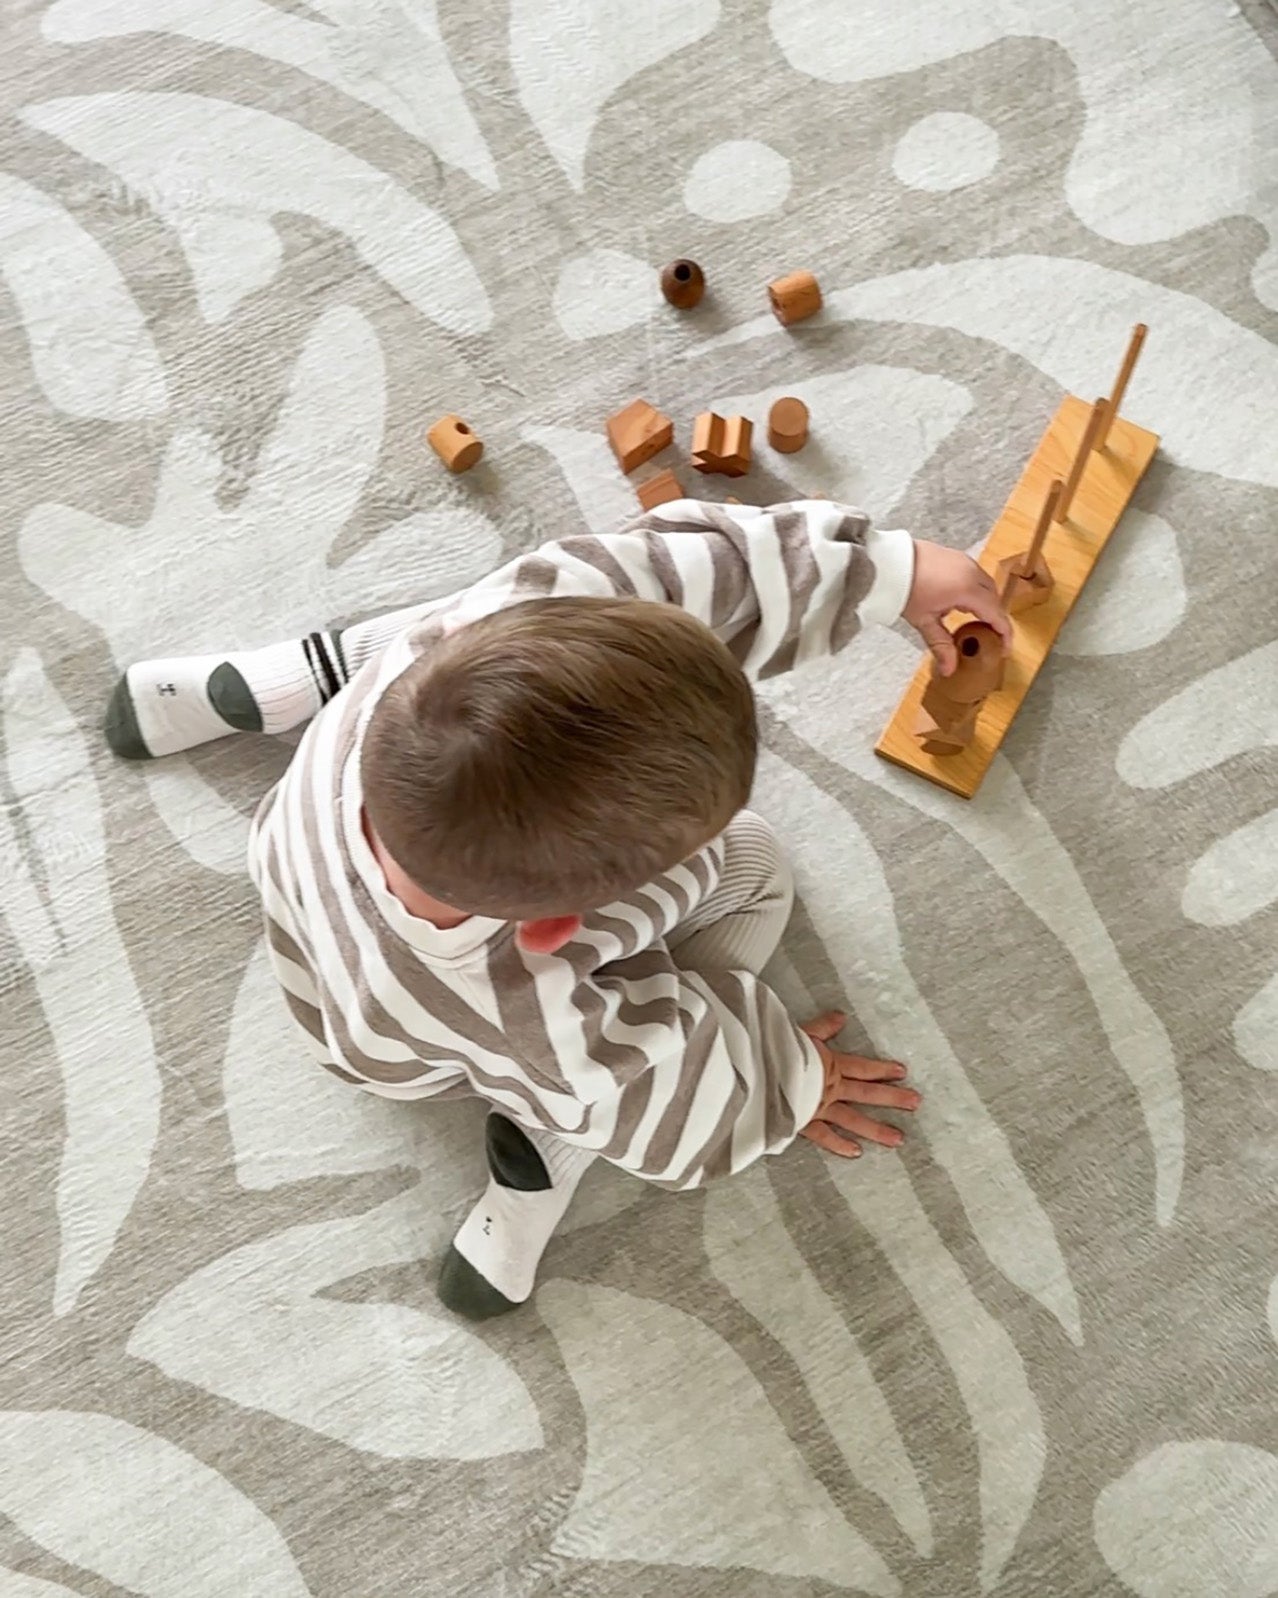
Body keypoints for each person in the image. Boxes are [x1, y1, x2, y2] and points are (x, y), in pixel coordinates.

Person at [106, 499, 1011, 1319]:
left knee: (441, 634)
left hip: (302, 843)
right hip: (402, 1036)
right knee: (752, 867)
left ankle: (282, 682)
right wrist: (789, 1082)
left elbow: (653, 567)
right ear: (554, 926)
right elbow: (670, 1107)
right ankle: (550, 1145)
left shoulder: (488, 629)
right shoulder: (527, 1004)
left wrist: (887, 569)